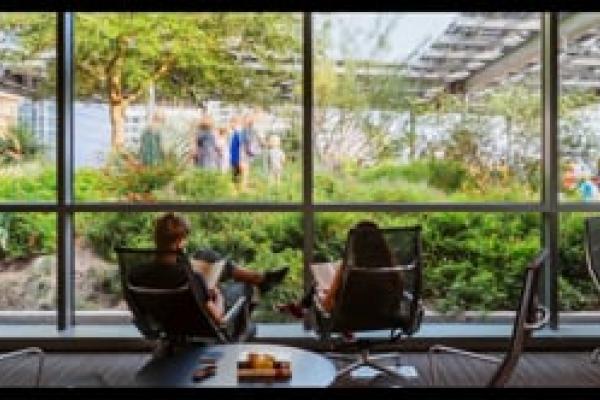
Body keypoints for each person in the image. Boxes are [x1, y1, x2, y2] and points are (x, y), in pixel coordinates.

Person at [129, 212, 289, 326]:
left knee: (206, 254)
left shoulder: (135, 274)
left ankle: (260, 278)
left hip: (167, 321)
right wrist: (217, 295)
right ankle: (258, 282)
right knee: (245, 287)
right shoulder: (190, 277)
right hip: (195, 321)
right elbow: (218, 319)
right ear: (178, 242)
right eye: (185, 240)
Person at [276, 221, 396, 326]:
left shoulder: (348, 269)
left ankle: (300, 306)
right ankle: (300, 306)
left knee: (319, 284)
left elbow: (327, 306)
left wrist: (322, 294)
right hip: (384, 317)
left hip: (349, 318)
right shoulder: (391, 267)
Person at [230, 115, 255, 192]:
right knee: (243, 172)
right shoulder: (239, 132)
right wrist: (250, 151)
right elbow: (244, 144)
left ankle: (236, 188)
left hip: (235, 157)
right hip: (239, 157)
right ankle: (242, 188)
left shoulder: (235, 132)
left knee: (237, 173)